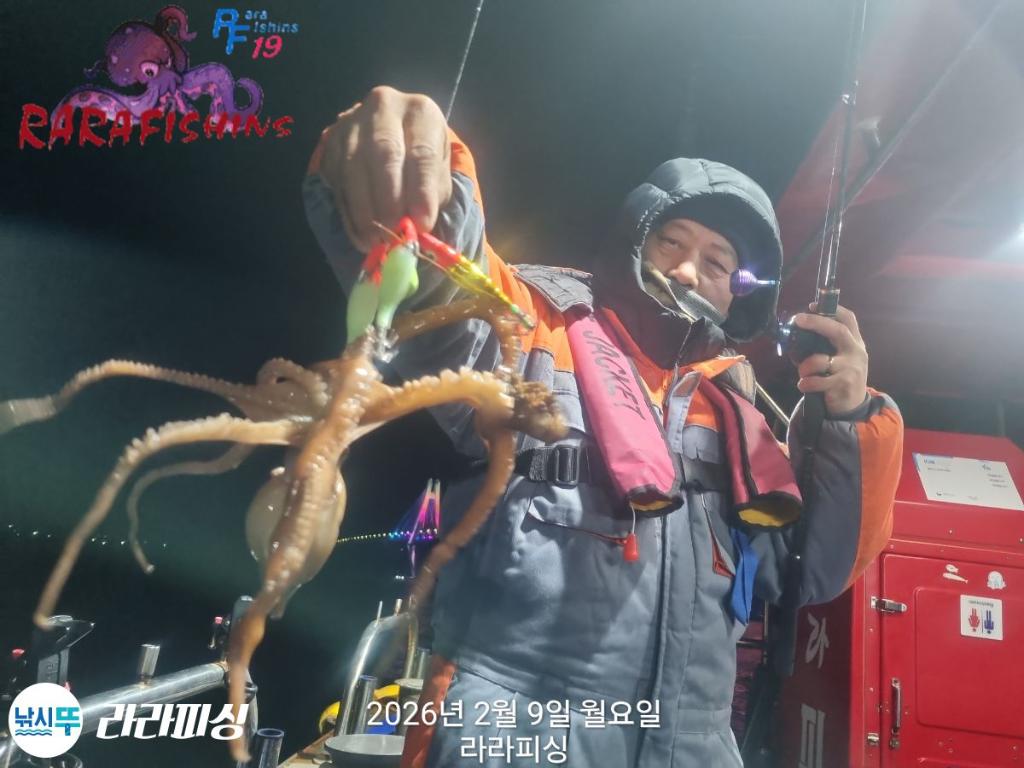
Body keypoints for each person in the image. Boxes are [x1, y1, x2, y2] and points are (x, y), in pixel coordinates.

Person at [302, 86, 903, 767]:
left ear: (736, 291)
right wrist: (423, 173)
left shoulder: (739, 408)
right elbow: (439, 292)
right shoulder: (536, 328)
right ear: (634, 241)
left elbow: (811, 573)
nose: (687, 270)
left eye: (716, 262)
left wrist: (852, 417)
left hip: (693, 744)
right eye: (671, 242)